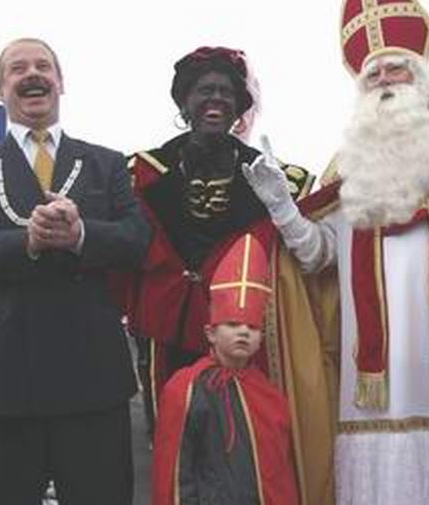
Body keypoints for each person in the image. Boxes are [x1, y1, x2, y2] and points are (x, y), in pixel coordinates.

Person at [243, 0, 429, 504]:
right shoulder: (349, 167)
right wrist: (282, 206)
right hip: (373, 382)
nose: (386, 82)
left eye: (397, 70)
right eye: (373, 75)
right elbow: (319, 257)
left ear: (423, 79)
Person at [0, 37, 151, 505]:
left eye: (42, 66)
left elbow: (137, 241)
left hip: (91, 380)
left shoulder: (107, 164)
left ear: (60, 82)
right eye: (18, 68)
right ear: (1, 89)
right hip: (1, 384)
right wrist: (27, 242)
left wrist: (81, 235)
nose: (32, 74)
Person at [119, 46, 314, 421]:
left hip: (242, 332)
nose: (217, 99)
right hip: (165, 329)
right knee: (173, 430)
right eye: (205, 90)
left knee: (239, 430)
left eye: (227, 92)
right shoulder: (141, 173)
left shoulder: (276, 178)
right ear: (185, 103)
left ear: (239, 108)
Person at [152, 230, 300, 505]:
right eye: (233, 324)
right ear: (210, 333)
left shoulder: (269, 396)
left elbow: (279, 477)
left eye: (252, 327)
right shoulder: (186, 389)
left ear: (261, 338)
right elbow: (176, 470)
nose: (243, 332)